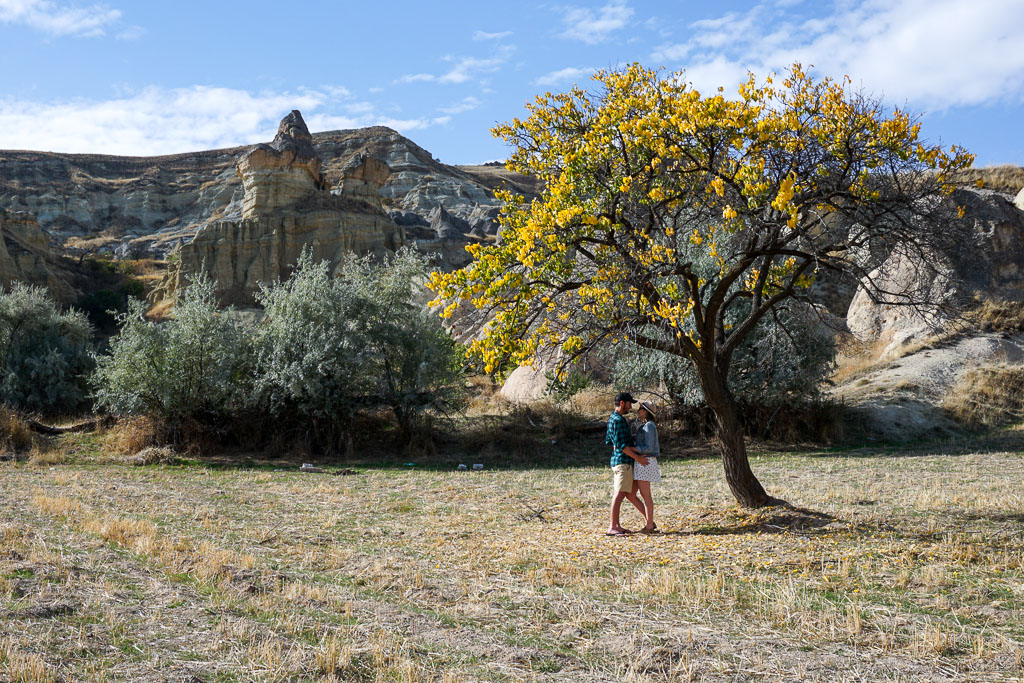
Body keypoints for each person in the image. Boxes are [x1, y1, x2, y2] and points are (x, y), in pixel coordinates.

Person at [605, 391, 648, 536]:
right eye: (630, 403)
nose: (631, 407)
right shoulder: (617, 420)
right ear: (622, 403)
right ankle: (613, 526)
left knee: (629, 494)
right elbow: (621, 446)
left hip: (623, 461)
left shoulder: (615, 419)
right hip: (623, 462)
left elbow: (612, 442)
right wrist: (638, 458)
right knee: (619, 494)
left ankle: (649, 522)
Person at [631, 401, 661, 533]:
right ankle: (649, 522)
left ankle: (649, 525)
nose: (638, 411)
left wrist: (633, 449)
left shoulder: (649, 426)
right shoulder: (646, 425)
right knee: (632, 494)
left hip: (645, 461)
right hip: (643, 461)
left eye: (641, 409)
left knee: (646, 495)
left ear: (646, 412)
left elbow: (649, 447)